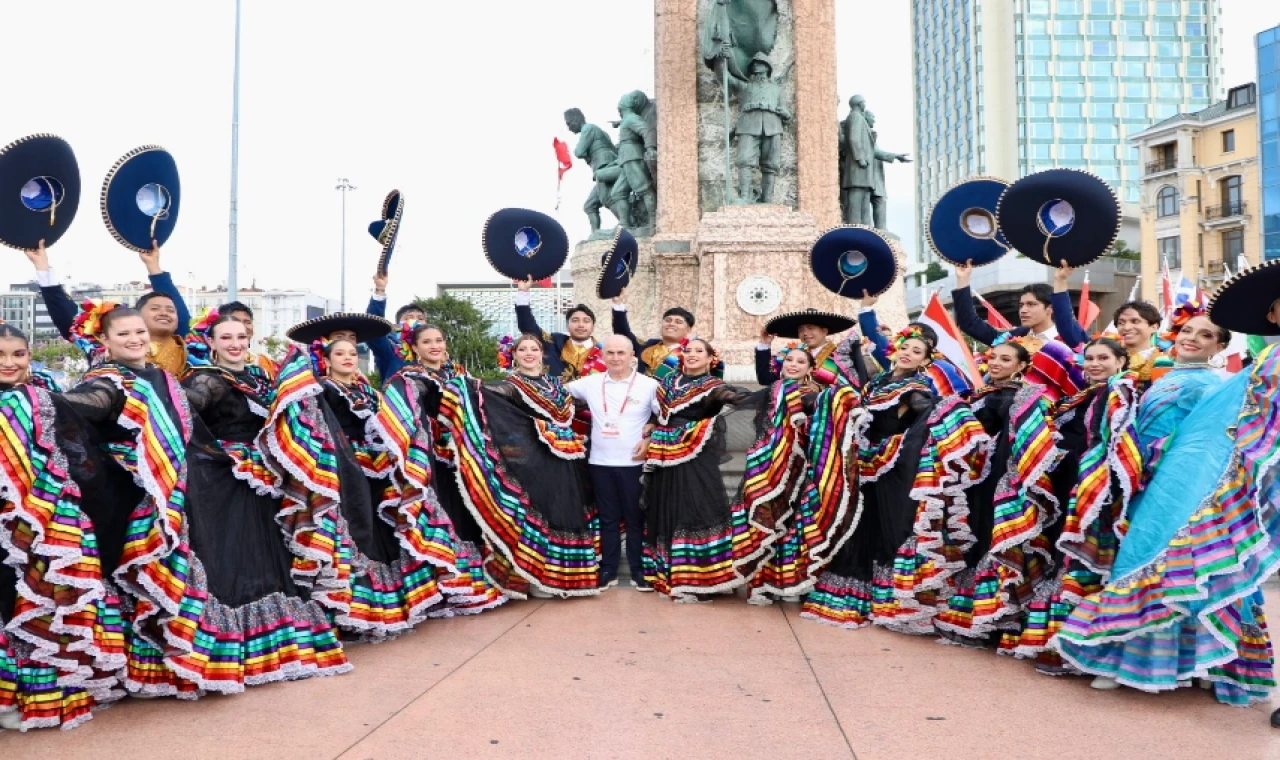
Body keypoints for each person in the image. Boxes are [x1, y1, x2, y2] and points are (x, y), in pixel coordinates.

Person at [1054, 307, 1280, 708]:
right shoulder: (1159, 376)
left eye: (1205, 335)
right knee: (1151, 554)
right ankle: (1140, 656)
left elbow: (1222, 432)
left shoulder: (1215, 384)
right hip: (1146, 479)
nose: (1191, 338)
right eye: (1188, 330)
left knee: (1174, 557)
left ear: (1220, 347)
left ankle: (1205, 661)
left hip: (1186, 481)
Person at [179, 313, 352, 682]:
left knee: (273, 561)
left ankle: (279, 647)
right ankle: (229, 654)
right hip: (229, 480)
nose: (235, 343)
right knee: (235, 561)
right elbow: (187, 407)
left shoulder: (260, 377)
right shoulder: (207, 378)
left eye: (241, 336)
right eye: (225, 337)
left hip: (268, 480)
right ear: (210, 342)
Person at [59, 304, 216, 697]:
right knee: (134, 577)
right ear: (105, 341)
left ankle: (164, 665)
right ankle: (131, 669)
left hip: (168, 492)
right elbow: (91, 403)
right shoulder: (107, 378)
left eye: (139, 332)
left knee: (167, 576)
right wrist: (41, 399)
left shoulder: (160, 375)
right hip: (129, 494)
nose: (134, 340)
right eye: (124, 334)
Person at [0, 323, 122, 729]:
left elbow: (78, 447)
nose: (9, 363)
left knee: (38, 598)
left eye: (18, 354)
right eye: (0, 355)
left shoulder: (44, 394)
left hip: (40, 517)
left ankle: (37, 695)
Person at [1004, 338, 1140, 673]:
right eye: (1089, 358)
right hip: (1069, 486)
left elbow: (1117, 446)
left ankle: (1076, 649)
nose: (1094, 363)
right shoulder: (1081, 397)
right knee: (1057, 561)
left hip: (1094, 494)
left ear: (1121, 360)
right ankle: (1051, 640)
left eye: (1103, 357)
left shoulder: (1121, 392)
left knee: (1078, 565)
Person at [433, 334, 601, 598]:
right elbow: (484, 395)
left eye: (534, 348)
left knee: (565, 514)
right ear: (514, 354)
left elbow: (584, 406)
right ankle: (535, 577)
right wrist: (460, 384)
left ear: (543, 354)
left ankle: (565, 576)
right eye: (522, 349)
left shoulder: (556, 386)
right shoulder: (511, 385)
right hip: (533, 462)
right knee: (541, 515)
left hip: (567, 462)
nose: (529, 353)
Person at [930, 338, 1065, 645]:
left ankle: (997, 619)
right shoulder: (980, 394)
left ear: (1021, 367)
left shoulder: (1025, 397)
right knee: (974, 540)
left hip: (1003, 482)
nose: (996, 363)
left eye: (1006, 360)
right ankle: (969, 616)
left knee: (997, 542)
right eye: (993, 358)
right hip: (974, 483)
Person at [378, 322, 506, 613]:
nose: (434, 346)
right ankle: (441, 586)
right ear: (415, 347)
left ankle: (471, 581)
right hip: (432, 460)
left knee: (467, 519)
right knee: (441, 518)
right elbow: (402, 410)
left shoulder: (460, 375)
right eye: (427, 342)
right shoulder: (409, 378)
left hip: (463, 459)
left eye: (438, 340)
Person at [641, 339, 773, 601]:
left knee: (695, 509)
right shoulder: (668, 383)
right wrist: (653, 424)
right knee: (667, 510)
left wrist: (771, 393)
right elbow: (664, 413)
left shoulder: (712, 386)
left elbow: (737, 397)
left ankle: (698, 581)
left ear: (711, 358)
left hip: (695, 458)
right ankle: (671, 576)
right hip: (664, 457)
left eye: (699, 351)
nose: (692, 355)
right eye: (688, 351)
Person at [739, 345, 866, 604]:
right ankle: (761, 583)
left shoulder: (811, 393)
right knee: (764, 522)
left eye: (800, 361)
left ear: (810, 369)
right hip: (765, 466)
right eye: (789, 359)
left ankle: (789, 584)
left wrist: (840, 397)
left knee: (791, 526)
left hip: (796, 469)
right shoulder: (773, 390)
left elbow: (821, 414)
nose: (793, 365)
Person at [566, 335, 659, 589]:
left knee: (635, 520)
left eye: (621, 353)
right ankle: (608, 570)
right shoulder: (589, 383)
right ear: (602, 356)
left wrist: (650, 437)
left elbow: (665, 417)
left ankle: (639, 571)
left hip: (634, 463)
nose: (616, 358)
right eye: (610, 353)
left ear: (632, 356)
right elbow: (554, 394)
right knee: (607, 519)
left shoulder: (649, 385)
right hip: (599, 462)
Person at [25, 238, 192, 375]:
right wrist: (42, 267)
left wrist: (154, 266)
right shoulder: (106, 347)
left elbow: (184, 317)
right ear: (137, 318)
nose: (164, 313)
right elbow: (68, 317)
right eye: (155, 309)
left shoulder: (192, 350)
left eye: (170, 310)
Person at [952, 260, 1061, 350]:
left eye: (1031, 304)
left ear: (1050, 309)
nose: (1023, 310)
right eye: (1021, 305)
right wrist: (963, 279)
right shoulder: (1013, 336)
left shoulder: (1067, 340)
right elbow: (970, 324)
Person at [514, 276, 604, 382]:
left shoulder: (605, 354)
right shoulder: (553, 343)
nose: (580, 325)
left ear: (593, 327)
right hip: (554, 397)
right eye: (575, 320)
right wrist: (523, 292)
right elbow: (528, 328)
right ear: (567, 326)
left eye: (586, 321)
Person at [755, 310, 870, 388]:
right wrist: (764, 345)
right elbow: (765, 379)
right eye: (801, 330)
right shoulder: (790, 353)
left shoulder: (840, 356)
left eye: (810, 328)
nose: (805, 333)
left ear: (824, 331)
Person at [610, 289, 696, 378]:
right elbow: (623, 334)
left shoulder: (692, 352)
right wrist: (618, 304)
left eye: (678, 322)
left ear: (688, 330)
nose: (671, 324)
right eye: (668, 320)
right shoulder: (648, 346)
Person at [366, 270, 426, 380]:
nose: (416, 322)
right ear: (398, 325)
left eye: (421, 318)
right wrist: (380, 289)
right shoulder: (391, 349)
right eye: (409, 318)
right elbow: (373, 326)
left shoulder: (436, 351)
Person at [218, 300, 279, 379]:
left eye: (248, 322)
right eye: (236, 321)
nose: (244, 327)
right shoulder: (206, 364)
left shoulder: (262, 361)